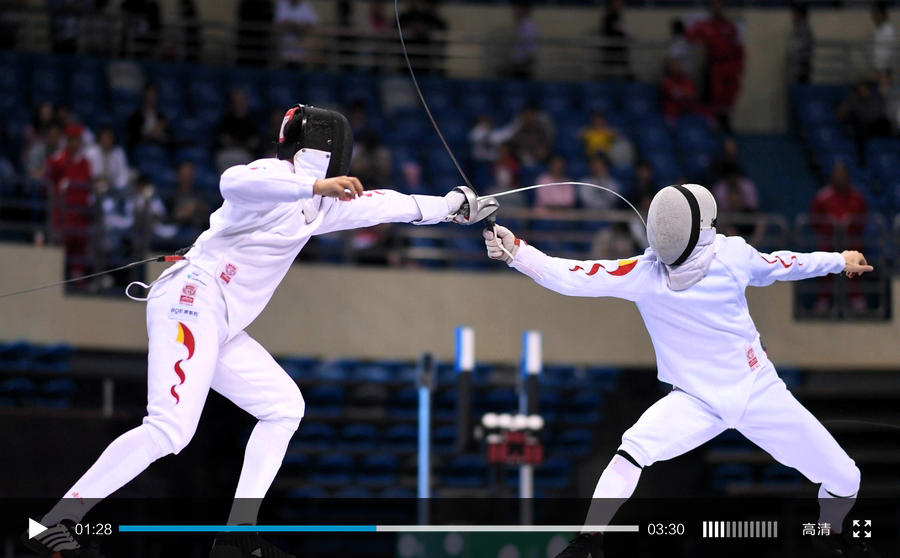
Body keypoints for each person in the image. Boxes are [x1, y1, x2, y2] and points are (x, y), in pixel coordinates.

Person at [26, 104, 469, 558]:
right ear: (329, 152)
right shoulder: (271, 179)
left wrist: (454, 208)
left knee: (283, 407)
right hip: (191, 300)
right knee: (169, 429)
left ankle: (238, 534)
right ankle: (56, 524)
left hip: (220, 323)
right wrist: (313, 183)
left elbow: (391, 204)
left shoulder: (321, 208)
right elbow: (232, 181)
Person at [483, 184, 874, 558]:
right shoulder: (716, 256)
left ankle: (830, 534)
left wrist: (517, 251)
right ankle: (588, 539)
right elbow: (784, 264)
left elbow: (567, 276)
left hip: (758, 391)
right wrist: (839, 260)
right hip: (695, 400)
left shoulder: (652, 271)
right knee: (631, 451)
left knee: (845, 478)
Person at [687, 0, 745, 132]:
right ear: (711, 9)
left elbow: (738, 48)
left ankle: (726, 121)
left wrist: (740, 66)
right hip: (715, 64)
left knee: (730, 94)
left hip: (730, 65)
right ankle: (715, 122)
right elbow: (690, 36)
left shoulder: (730, 26)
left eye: (719, 6)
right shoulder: (705, 25)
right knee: (716, 94)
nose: (717, 8)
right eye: (714, 6)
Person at [46, 124, 93, 279]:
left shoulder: (85, 163)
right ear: (67, 141)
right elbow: (48, 185)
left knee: (80, 250)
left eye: (78, 140)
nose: (75, 143)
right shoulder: (57, 160)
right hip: (63, 214)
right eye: (72, 140)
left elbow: (88, 186)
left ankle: (78, 281)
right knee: (60, 250)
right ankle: (55, 277)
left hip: (80, 215)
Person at [837, 79, 892, 164]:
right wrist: (849, 102)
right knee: (858, 129)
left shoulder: (876, 97)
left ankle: (890, 152)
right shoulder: (854, 99)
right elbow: (840, 114)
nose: (862, 91)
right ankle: (862, 160)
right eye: (860, 89)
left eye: (864, 89)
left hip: (877, 125)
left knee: (886, 123)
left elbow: (877, 113)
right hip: (863, 127)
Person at [215, 90, 260, 172]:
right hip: (229, 151)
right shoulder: (226, 119)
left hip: (245, 152)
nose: (238, 103)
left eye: (240, 100)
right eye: (236, 101)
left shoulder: (251, 119)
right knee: (222, 157)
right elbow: (222, 138)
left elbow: (255, 141)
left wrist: (247, 144)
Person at [274, 0, 319, 67]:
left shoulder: (305, 5)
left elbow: (314, 24)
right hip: (285, 53)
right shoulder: (282, 4)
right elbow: (282, 23)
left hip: (301, 54)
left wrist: (294, 26)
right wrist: (299, 27)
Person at [85, 126, 130, 192]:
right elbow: (87, 173)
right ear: (100, 138)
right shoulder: (91, 152)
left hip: (114, 188)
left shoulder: (119, 153)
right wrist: (96, 182)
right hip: (93, 187)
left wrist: (116, 187)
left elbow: (123, 175)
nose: (107, 141)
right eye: (105, 138)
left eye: (110, 138)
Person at [127, 84, 170, 150]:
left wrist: (162, 132)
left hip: (159, 148)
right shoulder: (136, 116)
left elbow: (169, 137)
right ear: (144, 96)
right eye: (149, 94)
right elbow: (132, 136)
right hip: (142, 148)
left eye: (153, 95)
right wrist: (149, 133)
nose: (151, 97)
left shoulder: (161, 117)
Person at [660, 57, 703, 123]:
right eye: (674, 65)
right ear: (669, 68)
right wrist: (685, 94)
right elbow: (676, 95)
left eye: (678, 65)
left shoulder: (688, 81)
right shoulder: (666, 82)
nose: (677, 67)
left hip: (689, 112)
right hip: (672, 116)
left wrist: (685, 94)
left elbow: (693, 95)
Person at [600, 0, 630, 79]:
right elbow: (608, 31)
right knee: (608, 69)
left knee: (623, 65)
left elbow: (623, 30)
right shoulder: (608, 17)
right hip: (611, 47)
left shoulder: (618, 16)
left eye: (620, 3)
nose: (618, 5)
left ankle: (629, 77)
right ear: (612, 4)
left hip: (619, 47)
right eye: (616, 3)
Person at [786, 3, 814, 84]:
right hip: (796, 67)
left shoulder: (805, 30)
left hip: (802, 68)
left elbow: (801, 48)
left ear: (801, 15)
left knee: (801, 88)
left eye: (795, 14)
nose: (793, 17)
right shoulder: (797, 29)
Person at [510, 1, 538, 79]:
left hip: (523, 65)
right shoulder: (521, 25)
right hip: (518, 64)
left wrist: (525, 64)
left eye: (518, 9)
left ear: (524, 10)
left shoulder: (528, 27)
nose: (515, 11)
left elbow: (530, 48)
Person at [871, 1, 895, 77]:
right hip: (878, 66)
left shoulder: (888, 29)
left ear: (882, 14)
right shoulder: (877, 29)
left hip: (884, 66)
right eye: (873, 14)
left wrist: (882, 68)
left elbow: (888, 50)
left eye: (876, 14)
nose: (874, 17)